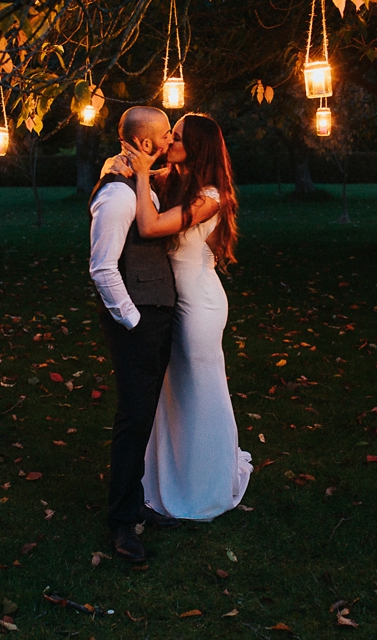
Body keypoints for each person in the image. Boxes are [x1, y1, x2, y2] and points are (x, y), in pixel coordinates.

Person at [123, 113, 253, 521]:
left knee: (199, 390)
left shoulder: (210, 195)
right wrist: (126, 164)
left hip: (200, 304)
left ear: (195, 146)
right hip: (169, 298)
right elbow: (130, 175)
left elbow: (149, 226)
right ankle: (167, 478)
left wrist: (143, 176)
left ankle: (205, 487)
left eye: (175, 138)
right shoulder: (171, 179)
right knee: (170, 392)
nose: (167, 142)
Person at [88, 106, 184, 564]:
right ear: (145, 144)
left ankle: (136, 503)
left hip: (153, 315)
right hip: (138, 322)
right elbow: (102, 267)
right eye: (165, 135)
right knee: (133, 419)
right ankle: (122, 523)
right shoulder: (118, 197)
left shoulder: (133, 179)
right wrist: (134, 320)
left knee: (143, 417)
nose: (169, 142)